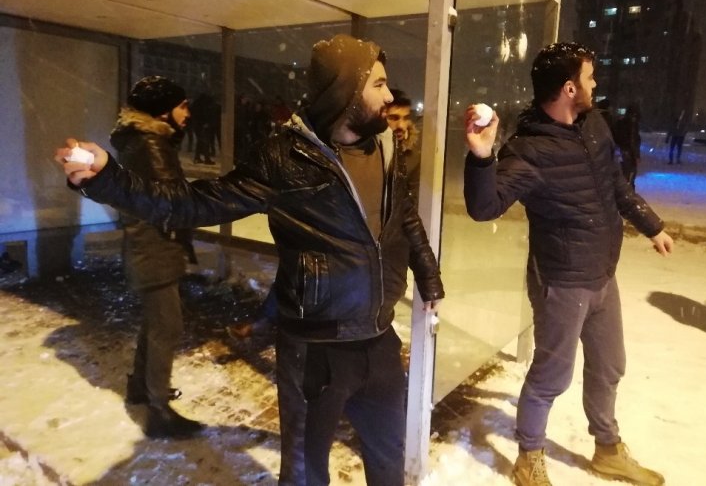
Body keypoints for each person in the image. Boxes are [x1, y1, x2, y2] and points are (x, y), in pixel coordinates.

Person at [56, 34, 444, 485]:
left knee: (389, 462)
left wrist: (428, 276)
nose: (389, 96)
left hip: (379, 341)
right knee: (304, 473)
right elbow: (193, 204)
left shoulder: (386, 149)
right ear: (346, 91)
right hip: (314, 348)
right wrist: (108, 180)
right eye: (378, 84)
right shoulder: (285, 156)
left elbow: (405, 217)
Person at [463, 42, 673, 486]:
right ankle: (529, 457)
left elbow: (616, 184)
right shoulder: (529, 151)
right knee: (551, 376)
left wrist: (651, 226)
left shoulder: (593, 125)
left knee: (610, 365)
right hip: (561, 281)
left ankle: (608, 450)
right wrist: (482, 158)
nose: (596, 84)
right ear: (569, 88)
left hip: (602, 274)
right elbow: (484, 207)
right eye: (590, 77)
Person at [111, 76, 204, 439]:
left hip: (148, 244)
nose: (188, 113)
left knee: (156, 322)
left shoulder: (141, 140)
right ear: (163, 111)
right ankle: (158, 411)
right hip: (154, 245)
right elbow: (171, 202)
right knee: (167, 326)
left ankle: (140, 387)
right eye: (182, 105)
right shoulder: (151, 144)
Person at [386, 89, 422, 201]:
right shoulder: (366, 152)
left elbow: (412, 202)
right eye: (393, 118)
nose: (401, 125)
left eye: (405, 118)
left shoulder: (412, 156)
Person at [612, 103, 642, 188]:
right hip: (628, 152)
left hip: (623, 151)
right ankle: (628, 192)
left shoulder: (621, 123)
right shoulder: (632, 124)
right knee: (629, 175)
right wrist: (636, 155)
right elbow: (634, 140)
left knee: (625, 174)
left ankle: (625, 190)